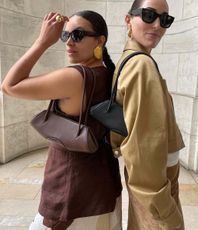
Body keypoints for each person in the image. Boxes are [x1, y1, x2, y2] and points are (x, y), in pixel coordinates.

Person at [1, 10, 122, 230]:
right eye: (65, 36)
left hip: (71, 191)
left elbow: (9, 86)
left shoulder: (75, 76)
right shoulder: (106, 73)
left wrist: (41, 42)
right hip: (102, 184)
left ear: (100, 40)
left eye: (78, 35)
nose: (68, 42)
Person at [110, 0, 185, 229]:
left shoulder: (132, 58)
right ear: (128, 19)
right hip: (155, 184)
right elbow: (143, 145)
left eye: (165, 19)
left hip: (153, 179)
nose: (157, 25)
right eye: (149, 15)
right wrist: (161, 205)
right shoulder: (141, 65)